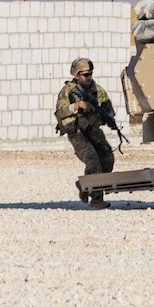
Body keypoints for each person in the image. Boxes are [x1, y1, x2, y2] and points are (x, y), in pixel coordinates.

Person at [54, 58, 115, 209]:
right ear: (76, 75)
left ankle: (84, 184)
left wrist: (100, 117)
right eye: (85, 75)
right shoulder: (68, 91)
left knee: (107, 158)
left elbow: (109, 110)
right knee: (93, 160)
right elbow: (60, 112)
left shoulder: (97, 90)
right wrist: (77, 106)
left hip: (92, 129)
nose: (89, 77)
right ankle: (96, 198)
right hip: (76, 131)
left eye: (90, 74)